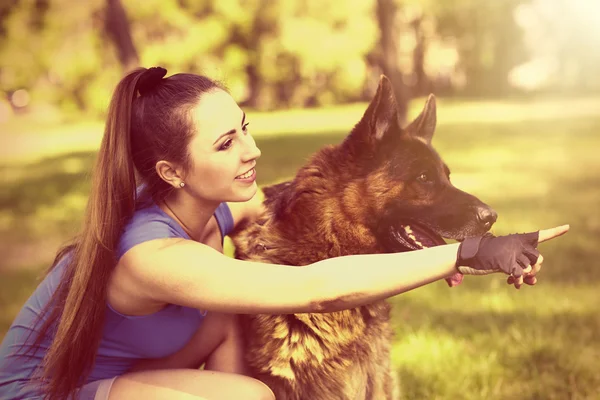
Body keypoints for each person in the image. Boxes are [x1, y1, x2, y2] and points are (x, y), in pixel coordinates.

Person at [0, 67, 569, 400]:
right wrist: (468, 253)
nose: (252, 151)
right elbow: (320, 288)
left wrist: (439, 246)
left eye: (243, 128)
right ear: (172, 172)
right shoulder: (151, 255)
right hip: (43, 394)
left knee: (227, 321)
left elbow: (314, 209)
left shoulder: (209, 209)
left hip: (122, 373)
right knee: (250, 396)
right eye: (225, 145)